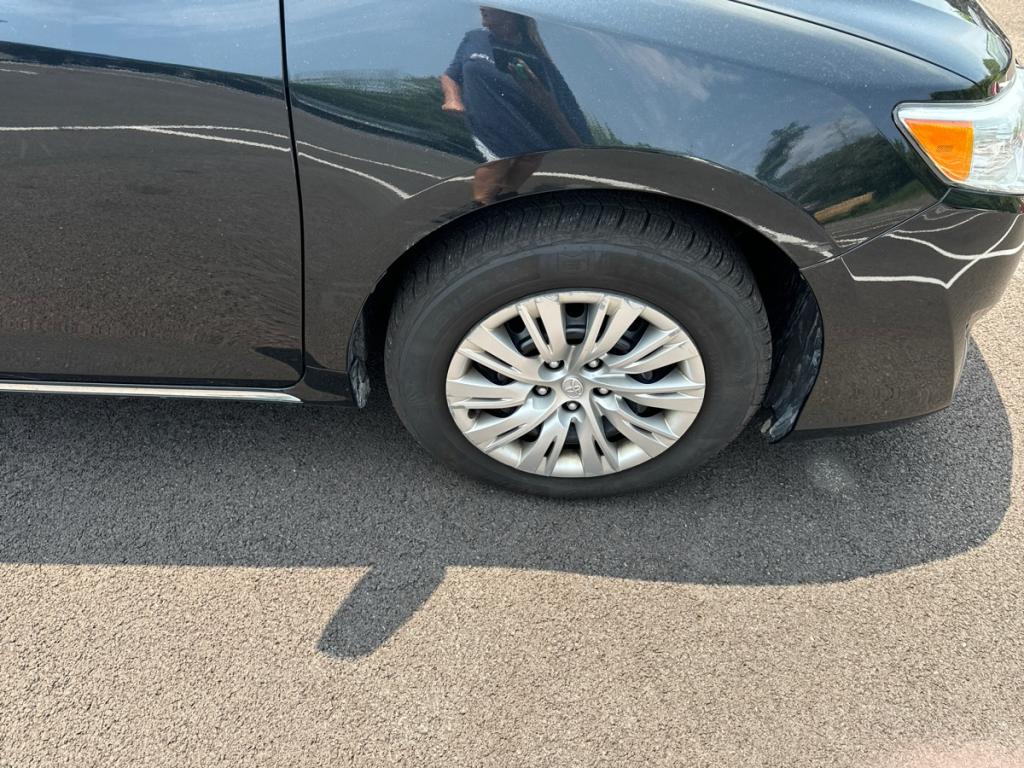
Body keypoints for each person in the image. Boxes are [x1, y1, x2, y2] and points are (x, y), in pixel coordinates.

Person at [440, 7, 593, 204]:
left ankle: (506, 198)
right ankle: (479, 207)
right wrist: (453, 99)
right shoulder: (475, 38)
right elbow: (450, 75)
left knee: (528, 162)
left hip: (522, 129)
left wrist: (535, 89)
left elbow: (552, 101)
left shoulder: (534, 54)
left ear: (512, 12)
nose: (482, 7)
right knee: (495, 168)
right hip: (484, 126)